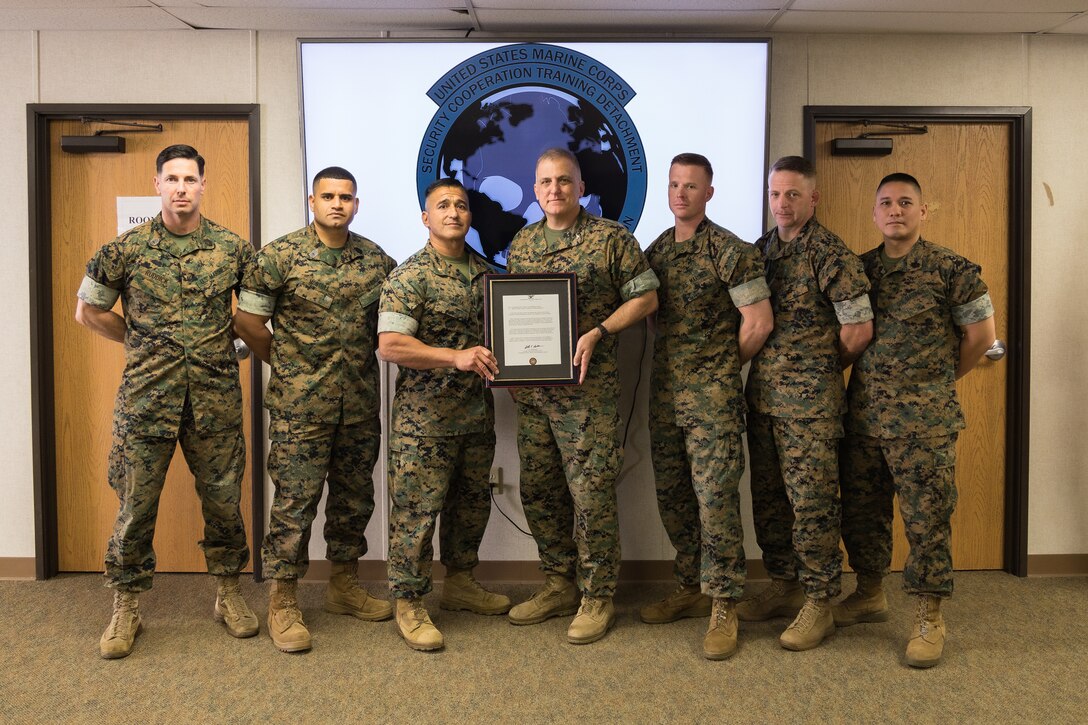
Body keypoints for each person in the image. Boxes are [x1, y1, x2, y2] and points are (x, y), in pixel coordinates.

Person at [76, 144, 257, 659]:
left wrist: (235, 346)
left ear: (203, 186)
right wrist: (138, 340)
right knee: (136, 507)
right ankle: (126, 605)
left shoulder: (232, 249)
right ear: (157, 184)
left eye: (190, 179)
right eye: (172, 179)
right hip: (146, 400)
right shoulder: (126, 249)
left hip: (214, 401)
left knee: (224, 503)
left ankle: (228, 594)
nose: (181, 188)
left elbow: (255, 314)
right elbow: (88, 311)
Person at [834, 173, 996, 668]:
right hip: (864, 418)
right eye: (886, 203)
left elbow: (982, 337)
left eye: (906, 202)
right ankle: (868, 592)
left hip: (924, 423)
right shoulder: (858, 271)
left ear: (924, 212)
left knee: (926, 521)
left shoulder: (953, 270)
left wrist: (939, 383)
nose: (895, 210)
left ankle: (929, 616)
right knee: (863, 513)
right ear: (874, 213)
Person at [234, 166, 396, 653]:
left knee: (353, 500)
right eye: (328, 196)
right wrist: (285, 363)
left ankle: (343, 585)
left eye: (346, 197)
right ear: (312, 200)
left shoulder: (375, 259)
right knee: (294, 504)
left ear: (356, 204)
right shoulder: (279, 256)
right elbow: (247, 321)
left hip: (359, 405)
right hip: (298, 409)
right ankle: (282, 600)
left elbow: (393, 320)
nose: (337, 204)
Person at [505, 148, 659, 645]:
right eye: (546, 181)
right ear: (535, 188)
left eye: (564, 181)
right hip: (532, 395)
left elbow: (646, 297)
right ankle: (557, 583)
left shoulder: (611, 239)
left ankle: (597, 595)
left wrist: (598, 330)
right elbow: (516, 313)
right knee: (540, 491)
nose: (555, 190)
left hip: (587, 396)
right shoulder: (522, 243)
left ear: (580, 186)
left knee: (590, 495)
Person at [640, 153, 774, 660]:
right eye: (674, 185)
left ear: (709, 193)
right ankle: (690, 587)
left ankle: (724, 602)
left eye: (691, 186)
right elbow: (653, 319)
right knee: (673, 495)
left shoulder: (732, 252)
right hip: (665, 399)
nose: (681, 194)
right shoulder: (656, 251)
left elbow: (758, 322)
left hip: (713, 401)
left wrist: (718, 366)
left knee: (715, 500)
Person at [739, 155, 874, 651]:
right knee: (770, 500)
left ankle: (819, 600)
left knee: (812, 505)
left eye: (792, 194)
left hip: (811, 407)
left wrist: (817, 366)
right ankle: (784, 582)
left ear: (813, 198)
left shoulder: (830, 253)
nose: (782, 204)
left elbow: (858, 332)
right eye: (775, 194)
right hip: (765, 401)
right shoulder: (762, 251)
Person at [377, 178, 511, 652]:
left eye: (460, 205)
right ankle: (409, 600)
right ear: (425, 217)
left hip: (475, 415)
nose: (453, 212)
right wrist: (453, 356)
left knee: (469, 506)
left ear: (470, 215)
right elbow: (391, 345)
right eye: (442, 206)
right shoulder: (409, 276)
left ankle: (460, 583)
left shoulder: (488, 275)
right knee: (416, 514)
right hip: (423, 422)